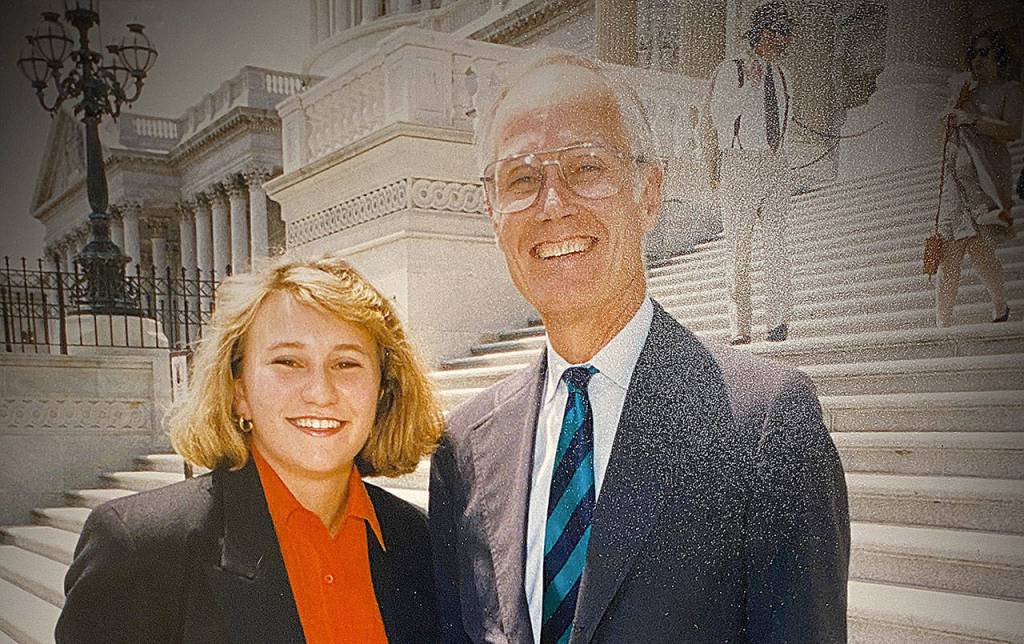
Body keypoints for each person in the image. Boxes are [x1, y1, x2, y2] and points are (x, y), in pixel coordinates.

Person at [429, 52, 849, 644]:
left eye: (586, 168)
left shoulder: (766, 425)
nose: (554, 205)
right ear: (492, 211)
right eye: (522, 179)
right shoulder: (466, 450)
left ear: (648, 193)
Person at [56, 252, 444, 643]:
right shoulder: (139, 548)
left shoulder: (417, 540)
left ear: (382, 390)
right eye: (288, 361)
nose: (320, 393)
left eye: (346, 364)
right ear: (239, 390)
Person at [709, 1, 796, 344]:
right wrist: (748, 89)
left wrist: (782, 162)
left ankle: (778, 321)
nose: (784, 42)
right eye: (779, 34)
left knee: (777, 244)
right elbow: (719, 120)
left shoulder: (785, 76)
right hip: (740, 162)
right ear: (761, 34)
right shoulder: (732, 70)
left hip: (775, 164)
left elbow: (783, 122)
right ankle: (739, 326)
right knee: (738, 247)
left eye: (787, 35)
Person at [936, 29, 1021, 327]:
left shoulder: (1010, 89)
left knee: (982, 255)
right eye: (973, 54)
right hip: (954, 188)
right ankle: (941, 326)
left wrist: (973, 119)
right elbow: (942, 138)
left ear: (999, 55)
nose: (977, 60)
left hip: (985, 187)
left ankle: (999, 306)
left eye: (984, 52)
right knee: (949, 257)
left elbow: (1012, 131)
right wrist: (954, 107)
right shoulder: (965, 94)